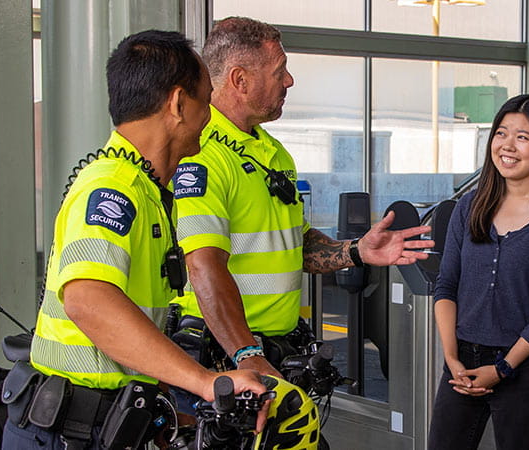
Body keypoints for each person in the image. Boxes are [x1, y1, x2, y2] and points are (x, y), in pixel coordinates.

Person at [1, 30, 269, 449]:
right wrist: (203, 381)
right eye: (205, 100)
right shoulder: (113, 188)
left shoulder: (147, 189)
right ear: (179, 104)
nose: (210, 115)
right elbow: (89, 300)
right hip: (67, 432)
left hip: (107, 421)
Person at [170, 16, 432, 392]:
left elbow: (294, 242)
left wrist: (357, 250)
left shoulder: (273, 153)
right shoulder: (202, 155)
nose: (289, 81)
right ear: (239, 80)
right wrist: (246, 353)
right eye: (280, 71)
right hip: (226, 355)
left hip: (272, 349)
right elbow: (203, 266)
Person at [427, 94, 529, 450]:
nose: (507, 146)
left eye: (523, 137)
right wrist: (451, 359)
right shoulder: (470, 204)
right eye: (501, 133)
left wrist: (503, 369)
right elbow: (447, 285)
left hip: (522, 371)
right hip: (461, 363)